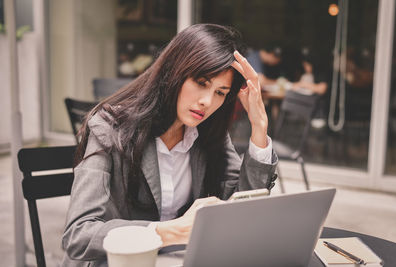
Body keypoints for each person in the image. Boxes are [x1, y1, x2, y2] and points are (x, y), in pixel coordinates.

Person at [61, 24, 278, 266]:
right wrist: (171, 231)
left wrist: (259, 127)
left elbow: (243, 207)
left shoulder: (208, 133)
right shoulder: (109, 128)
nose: (207, 101)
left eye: (220, 92)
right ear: (175, 72)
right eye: (201, 82)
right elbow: (79, 234)